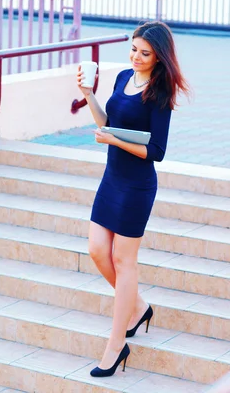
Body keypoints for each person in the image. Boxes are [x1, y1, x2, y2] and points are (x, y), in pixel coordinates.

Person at [76, 21, 190, 378]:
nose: (137, 57)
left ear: (159, 56)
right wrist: (88, 94)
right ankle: (138, 307)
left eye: (145, 53)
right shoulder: (123, 76)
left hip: (137, 185)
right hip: (112, 178)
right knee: (97, 250)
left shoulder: (161, 90)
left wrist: (115, 142)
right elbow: (108, 121)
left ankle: (115, 346)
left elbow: (157, 150)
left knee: (124, 262)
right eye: (134, 50)